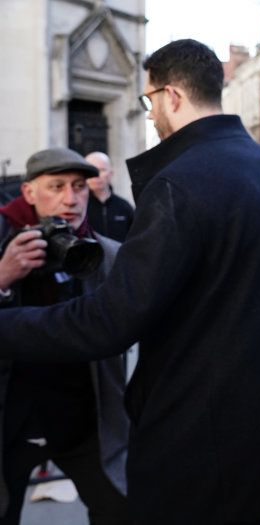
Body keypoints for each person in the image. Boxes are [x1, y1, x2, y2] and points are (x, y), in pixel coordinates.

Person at [0, 39, 260, 525]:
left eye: (150, 101)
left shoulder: (178, 182)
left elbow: (111, 321)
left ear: (172, 96)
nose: (151, 116)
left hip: (200, 431)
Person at [0, 147, 129, 525]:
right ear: (28, 193)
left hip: (82, 421)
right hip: (11, 421)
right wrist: (3, 277)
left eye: (79, 187)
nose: (70, 199)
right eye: (56, 186)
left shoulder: (105, 255)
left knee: (124, 510)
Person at [85, 152, 134, 242]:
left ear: (111, 173)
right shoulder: (78, 206)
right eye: (92, 170)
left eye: (102, 170)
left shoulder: (124, 207)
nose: (96, 175)